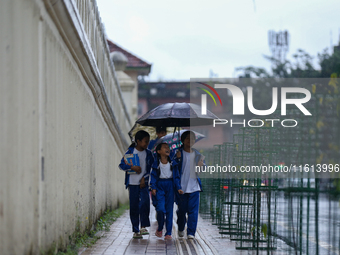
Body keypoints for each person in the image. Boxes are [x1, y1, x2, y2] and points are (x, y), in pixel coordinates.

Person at [119, 130, 154, 239]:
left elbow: (151, 168)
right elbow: (121, 165)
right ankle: (135, 230)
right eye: (145, 142)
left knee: (145, 204)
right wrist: (131, 167)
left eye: (148, 142)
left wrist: (145, 178)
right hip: (132, 184)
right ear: (138, 141)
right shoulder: (130, 152)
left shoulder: (148, 154)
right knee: (134, 206)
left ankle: (143, 226)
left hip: (143, 184)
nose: (147, 144)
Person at [174, 131, 204, 239]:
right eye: (187, 138)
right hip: (182, 188)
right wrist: (177, 159)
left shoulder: (197, 154)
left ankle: (191, 232)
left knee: (193, 211)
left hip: (194, 187)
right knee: (181, 211)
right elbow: (174, 170)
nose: (190, 141)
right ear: (182, 140)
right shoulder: (178, 153)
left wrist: (200, 165)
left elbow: (200, 171)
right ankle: (181, 227)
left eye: (192, 139)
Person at [150, 143, 180, 240]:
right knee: (160, 209)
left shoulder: (173, 162)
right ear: (158, 151)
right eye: (164, 147)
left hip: (170, 185)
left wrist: (178, 187)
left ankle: (168, 233)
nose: (167, 148)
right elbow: (153, 176)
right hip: (160, 186)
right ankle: (160, 227)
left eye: (168, 147)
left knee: (169, 210)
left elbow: (177, 176)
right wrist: (153, 187)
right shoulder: (156, 163)